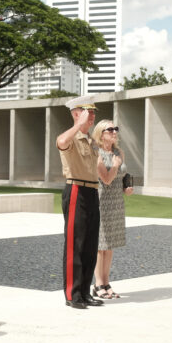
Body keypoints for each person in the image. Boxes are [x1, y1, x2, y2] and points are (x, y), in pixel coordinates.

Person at [56, 95, 104, 309]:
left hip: (92, 191)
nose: (92, 116)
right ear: (76, 114)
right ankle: (72, 294)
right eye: (87, 112)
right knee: (76, 244)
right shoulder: (72, 137)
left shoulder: (92, 141)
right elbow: (61, 142)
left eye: (93, 112)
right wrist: (77, 125)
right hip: (76, 189)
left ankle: (85, 291)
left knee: (90, 245)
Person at [91, 119, 134, 299]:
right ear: (101, 133)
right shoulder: (96, 152)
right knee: (101, 246)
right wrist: (115, 165)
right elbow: (106, 179)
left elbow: (124, 174)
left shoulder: (119, 152)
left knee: (110, 246)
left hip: (116, 201)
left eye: (116, 129)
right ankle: (97, 284)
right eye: (111, 129)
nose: (115, 132)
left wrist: (127, 185)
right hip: (102, 201)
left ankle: (106, 282)